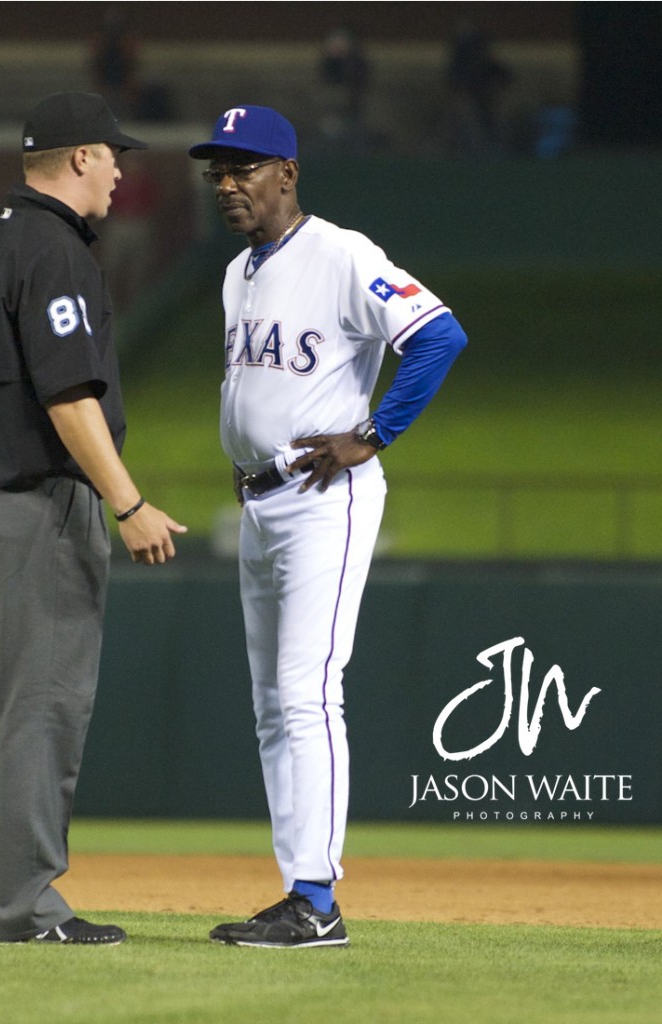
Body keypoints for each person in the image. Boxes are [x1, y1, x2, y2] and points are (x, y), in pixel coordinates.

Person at [189, 106, 467, 948]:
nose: (228, 184)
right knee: (273, 704)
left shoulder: (341, 253)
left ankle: (318, 898)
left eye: (244, 168)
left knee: (308, 692)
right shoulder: (239, 272)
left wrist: (372, 434)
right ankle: (295, 890)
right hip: (258, 500)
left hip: (323, 498)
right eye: (217, 171)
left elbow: (438, 336)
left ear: (288, 173)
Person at [0, 92, 186, 946]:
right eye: (112, 155)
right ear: (78, 158)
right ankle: (23, 907)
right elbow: (69, 394)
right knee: (40, 708)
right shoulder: (54, 249)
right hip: (36, 503)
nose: (120, 169)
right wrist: (131, 502)